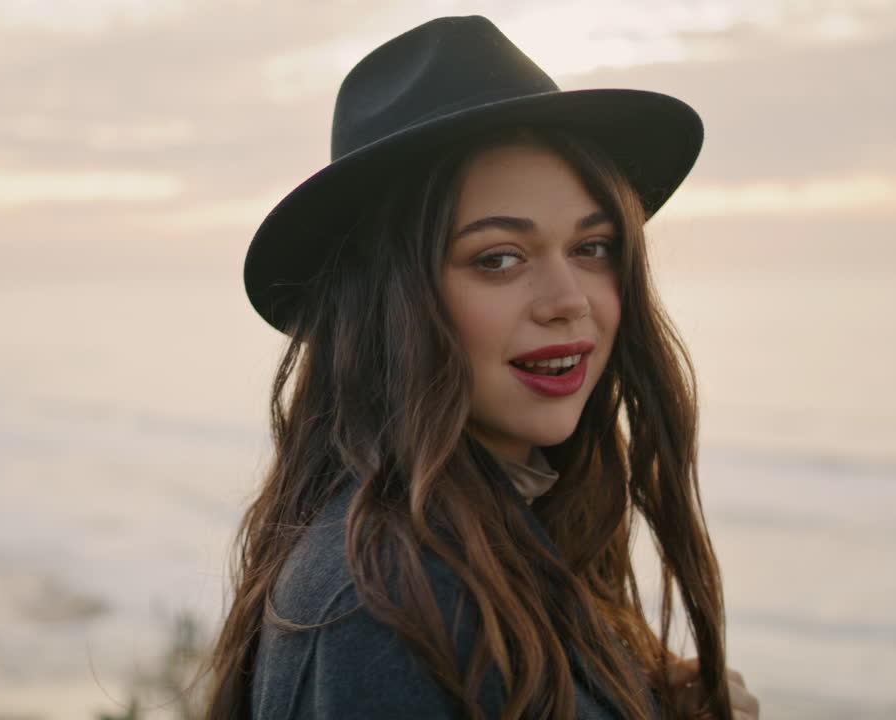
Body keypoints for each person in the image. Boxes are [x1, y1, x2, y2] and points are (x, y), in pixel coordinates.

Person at [206, 15, 760, 720]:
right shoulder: (391, 607)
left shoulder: (489, 541)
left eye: (591, 247)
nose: (569, 301)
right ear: (386, 306)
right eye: (498, 258)